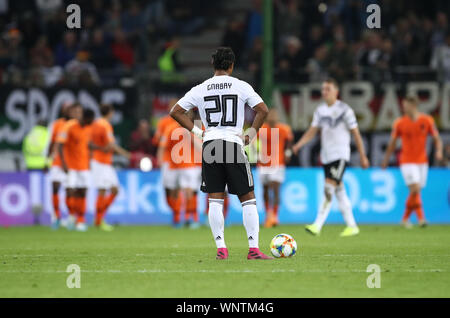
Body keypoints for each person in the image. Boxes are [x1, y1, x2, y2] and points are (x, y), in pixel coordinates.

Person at [170, 47, 272, 260]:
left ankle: (221, 249)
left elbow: (175, 112)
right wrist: (250, 136)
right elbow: (263, 110)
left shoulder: (200, 88)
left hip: (210, 144)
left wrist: (199, 132)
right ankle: (253, 249)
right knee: (248, 198)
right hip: (233, 142)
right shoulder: (241, 86)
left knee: (215, 199)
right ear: (232, 65)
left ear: (212, 64)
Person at [292, 78, 370, 237]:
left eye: (327, 89)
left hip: (340, 155)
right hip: (326, 156)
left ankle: (317, 225)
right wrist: (299, 144)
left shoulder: (345, 110)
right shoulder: (320, 111)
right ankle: (352, 226)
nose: (324, 92)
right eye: (323, 89)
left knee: (329, 187)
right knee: (339, 189)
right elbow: (312, 131)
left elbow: (356, 133)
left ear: (336, 91)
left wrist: (363, 155)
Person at [382, 95, 443, 228]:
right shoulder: (399, 123)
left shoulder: (427, 120)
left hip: (422, 161)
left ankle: (404, 220)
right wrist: (386, 159)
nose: (404, 108)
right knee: (415, 188)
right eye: (403, 106)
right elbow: (392, 143)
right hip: (407, 161)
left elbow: (437, 138)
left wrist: (438, 151)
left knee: (416, 191)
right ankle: (421, 219)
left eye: (406, 106)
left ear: (414, 106)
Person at [158, 110, 203, 229]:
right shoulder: (170, 128)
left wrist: (190, 135)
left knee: (189, 191)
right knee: (172, 192)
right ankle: (177, 216)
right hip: (173, 166)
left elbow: (201, 148)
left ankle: (190, 218)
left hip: (189, 165)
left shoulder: (194, 129)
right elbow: (163, 146)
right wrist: (160, 161)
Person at [90, 104, 130, 231]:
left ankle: (99, 218)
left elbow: (90, 143)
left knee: (114, 190)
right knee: (103, 190)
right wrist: (126, 154)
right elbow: (111, 145)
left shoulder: (95, 123)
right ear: (110, 112)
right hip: (100, 162)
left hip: (103, 162)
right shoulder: (105, 125)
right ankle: (98, 220)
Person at [58, 108, 95, 232]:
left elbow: (87, 144)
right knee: (70, 191)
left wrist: (96, 152)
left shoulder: (88, 128)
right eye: (89, 120)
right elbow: (60, 144)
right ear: (84, 118)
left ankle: (80, 220)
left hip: (84, 166)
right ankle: (71, 216)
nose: (91, 123)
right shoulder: (69, 126)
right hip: (71, 165)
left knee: (83, 191)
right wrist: (63, 163)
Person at [257, 108, 293, 228]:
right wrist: (256, 154)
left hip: (278, 163)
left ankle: (275, 216)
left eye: (274, 114)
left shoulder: (284, 129)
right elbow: (253, 143)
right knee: (265, 189)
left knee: (275, 187)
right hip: (263, 164)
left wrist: (288, 153)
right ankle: (269, 214)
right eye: (270, 114)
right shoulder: (261, 129)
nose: (272, 117)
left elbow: (289, 141)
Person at [47, 101, 71, 229]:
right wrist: (47, 161)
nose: (68, 111)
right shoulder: (56, 124)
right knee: (55, 187)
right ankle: (56, 217)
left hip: (71, 163)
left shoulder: (76, 125)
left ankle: (71, 218)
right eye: (66, 108)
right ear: (62, 110)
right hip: (57, 162)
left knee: (70, 191)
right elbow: (51, 143)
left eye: (70, 109)